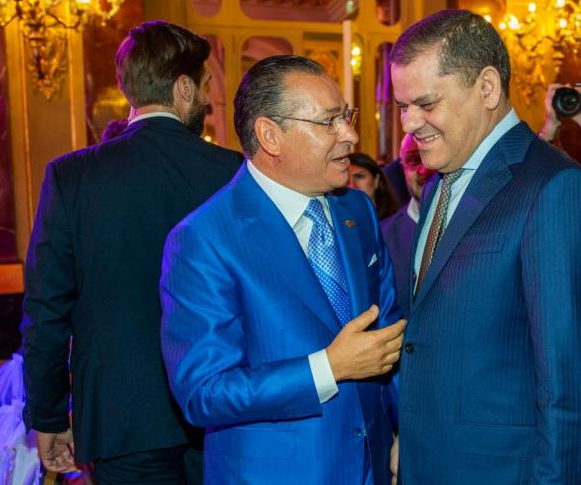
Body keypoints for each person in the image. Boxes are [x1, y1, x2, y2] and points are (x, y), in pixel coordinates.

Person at [389, 9, 581, 484]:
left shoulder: (555, 189)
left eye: (425, 103)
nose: (409, 124)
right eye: (402, 106)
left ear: (488, 88)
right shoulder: (437, 187)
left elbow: (570, 388)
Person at [159, 55, 406, 484]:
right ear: (270, 135)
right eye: (329, 121)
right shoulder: (204, 239)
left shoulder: (357, 210)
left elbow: (388, 333)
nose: (350, 134)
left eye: (346, 116)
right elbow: (204, 392)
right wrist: (328, 367)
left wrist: (404, 432)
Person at [20, 20, 243, 483]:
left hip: (120, 418)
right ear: (183, 88)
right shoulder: (232, 173)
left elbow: (47, 310)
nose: (207, 100)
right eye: (204, 86)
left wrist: (49, 416)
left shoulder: (72, 176)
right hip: (219, 410)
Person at [381, 134, 436, 306]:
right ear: (402, 167)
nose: (423, 170)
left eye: (431, 155)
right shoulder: (383, 235)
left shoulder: (469, 222)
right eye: (413, 160)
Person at [348, 152, 400, 219]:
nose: (351, 185)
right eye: (346, 179)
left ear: (376, 180)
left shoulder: (396, 222)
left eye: (359, 176)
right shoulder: (338, 222)